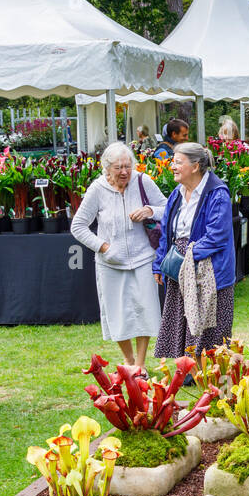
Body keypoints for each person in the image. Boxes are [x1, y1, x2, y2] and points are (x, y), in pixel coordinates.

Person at [71, 142, 165, 373]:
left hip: (143, 258)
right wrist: (103, 247)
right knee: (117, 312)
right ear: (107, 168)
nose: (124, 172)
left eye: (128, 166)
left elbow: (169, 207)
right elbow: (78, 226)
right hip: (110, 263)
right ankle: (129, 362)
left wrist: (149, 211)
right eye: (118, 167)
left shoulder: (143, 181)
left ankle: (141, 364)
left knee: (145, 309)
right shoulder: (97, 189)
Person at [153, 142, 236, 358]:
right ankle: (187, 367)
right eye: (173, 162)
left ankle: (209, 371)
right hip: (180, 268)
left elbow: (217, 236)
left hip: (210, 269)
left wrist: (188, 257)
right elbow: (167, 233)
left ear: (196, 166)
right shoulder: (176, 194)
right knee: (183, 319)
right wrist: (159, 264)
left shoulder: (217, 194)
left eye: (178, 162)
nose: (173, 166)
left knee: (210, 324)